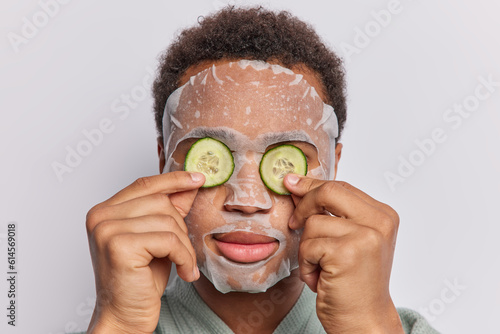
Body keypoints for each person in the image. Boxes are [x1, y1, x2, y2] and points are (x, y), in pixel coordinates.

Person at [83, 7, 438, 334]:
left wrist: (370, 325)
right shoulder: (115, 324)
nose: (248, 200)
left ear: (332, 167)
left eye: (285, 160)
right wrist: (118, 323)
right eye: (212, 157)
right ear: (164, 162)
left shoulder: (394, 328)